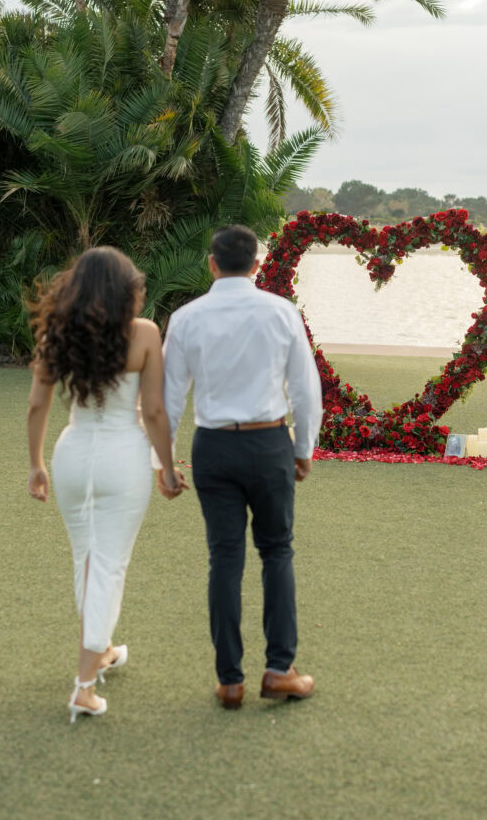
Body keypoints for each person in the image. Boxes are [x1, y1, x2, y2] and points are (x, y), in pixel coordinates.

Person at [156, 224, 323, 709]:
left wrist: (163, 464)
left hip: (212, 447)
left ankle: (230, 680)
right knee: (277, 551)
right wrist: (304, 448)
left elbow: (168, 399)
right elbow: (306, 390)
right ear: (257, 265)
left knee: (224, 557)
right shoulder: (281, 311)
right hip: (269, 441)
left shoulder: (186, 318)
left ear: (211, 264)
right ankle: (279, 669)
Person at [26, 247, 188, 723]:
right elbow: (155, 412)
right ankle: (82, 685)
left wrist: (36, 464)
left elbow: (38, 404)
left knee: (89, 558)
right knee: (108, 563)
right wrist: (168, 466)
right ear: (128, 290)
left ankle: (101, 650)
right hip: (123, 457)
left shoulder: (57, 332)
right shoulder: (143, 334)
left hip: (74, 453)